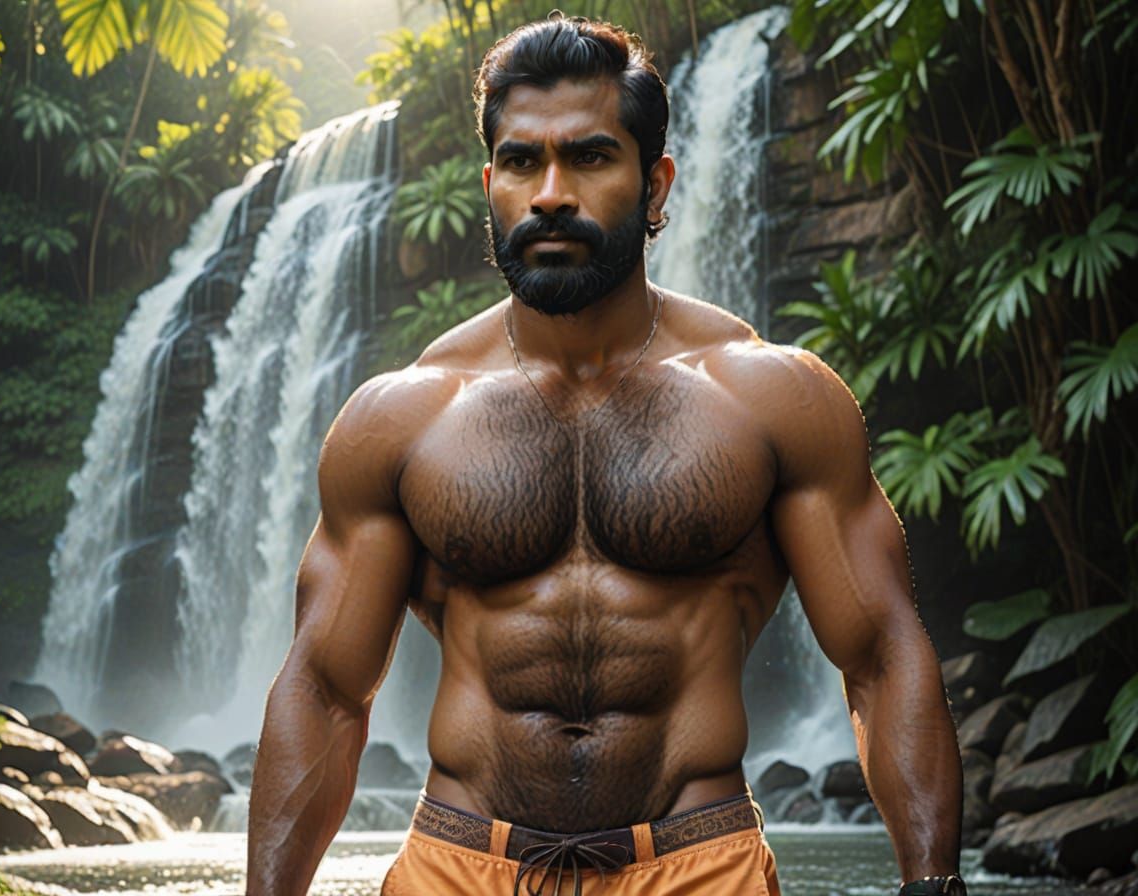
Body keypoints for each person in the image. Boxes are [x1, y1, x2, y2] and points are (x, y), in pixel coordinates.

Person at [245, 14, 966, 896]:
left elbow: (882, 657)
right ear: (491, 185)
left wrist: (934, 886)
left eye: (589, 157)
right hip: (459, 867)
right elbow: (325, 688)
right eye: (522, 162)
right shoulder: (403, 417)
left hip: (697, 867)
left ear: (655, 186)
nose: (551, 193)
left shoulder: (771, 398)